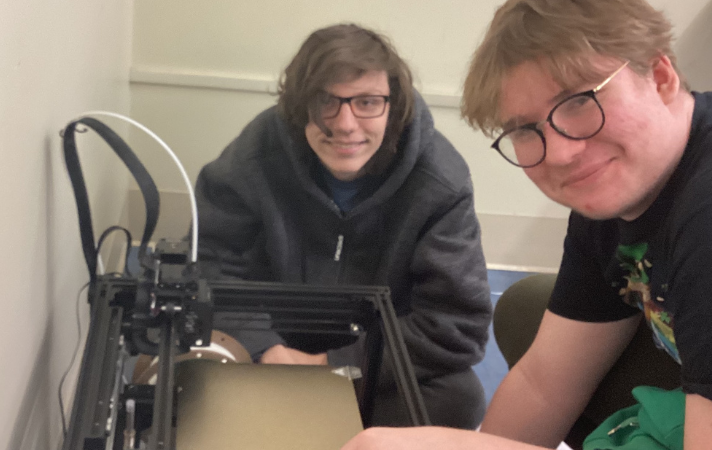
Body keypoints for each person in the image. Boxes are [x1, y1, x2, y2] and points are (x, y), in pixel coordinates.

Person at [342, 0, 712, 448]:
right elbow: (546, 381)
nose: (560, 153)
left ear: (659, 77)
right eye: (524, 130)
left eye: (580, 101)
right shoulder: (619, 192)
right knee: (527, 309)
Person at [193, 23, 493, 429]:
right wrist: (265, 348)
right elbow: (210, 263)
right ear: (298, 104)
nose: (346, 124)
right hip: (271, 346)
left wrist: (333, 366)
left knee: (458, 399)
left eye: (368, 102)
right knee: (187, 377)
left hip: (375, 359)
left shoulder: (440, 180)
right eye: (325, 101)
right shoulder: (256, 153)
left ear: (394, 103)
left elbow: (456, 325)